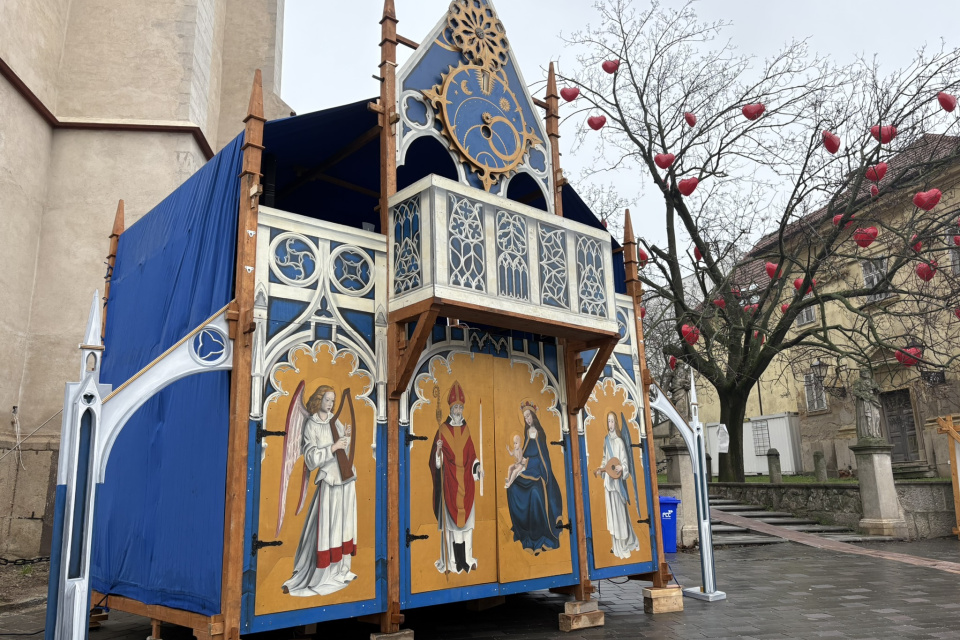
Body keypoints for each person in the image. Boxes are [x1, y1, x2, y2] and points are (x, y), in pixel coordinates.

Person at [283, 385, 357, 596]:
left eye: (333, 401)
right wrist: (333, 447)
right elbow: (311, 458)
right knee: (326, 527)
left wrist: (346, 440)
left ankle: (340, 570)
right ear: (318, 400)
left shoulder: (336, 421)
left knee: (342, 526)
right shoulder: (312, 425)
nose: (331, 404)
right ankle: (321, 575)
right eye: (327, 400)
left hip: (344, 480)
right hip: (329, 480)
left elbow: (345, 450)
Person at [430, 381, 483, 573]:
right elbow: (437, 463)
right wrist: (438, 451)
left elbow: (473, 455)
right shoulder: (443, 430)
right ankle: (452, 562)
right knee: (452, 528)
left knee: (467, 527)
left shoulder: (467, 430)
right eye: (456, 407)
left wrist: (477, 468)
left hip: (467, 483)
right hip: (450, 483)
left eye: (461, 407)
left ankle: (467, 559)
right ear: (451, 408)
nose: (458, 410)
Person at [505, 402, 564, 553]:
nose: (527, 420)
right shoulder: (527, 433)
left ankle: (540, 532)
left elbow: (542, 455)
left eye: (529, 416)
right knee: (512, 487)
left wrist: (527, 462)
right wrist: (521, 461)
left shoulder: (539, 433)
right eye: (525, 418)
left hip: (538, 469)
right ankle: (523, 528)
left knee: (536, 493)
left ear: (534, 416)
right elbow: (524, 451)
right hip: (528, 467)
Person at [595, 411, 639, 559]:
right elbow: (604, 460)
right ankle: (615, 545)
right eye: (608, 421)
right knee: (612, 516)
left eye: (613, 421)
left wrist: (622, 468)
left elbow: (624, 462)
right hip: (609, 484)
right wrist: (601, 469)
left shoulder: (620, 442)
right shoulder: (605, 440)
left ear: (616, 424)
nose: (610, 424)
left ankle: (624, 544)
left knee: (620, 515)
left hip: (618, 484)